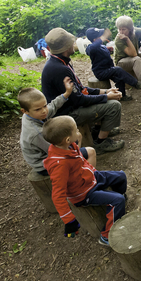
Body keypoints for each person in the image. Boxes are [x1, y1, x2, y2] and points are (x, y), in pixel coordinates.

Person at [42, 116, 127, 246]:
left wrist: (77, 142)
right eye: (76, 130)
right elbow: (57, 195)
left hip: (90, 178)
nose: (79, 132)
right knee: (118, 200)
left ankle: (114, 203)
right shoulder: (59, 165)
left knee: (121, 176)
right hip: (83, 193)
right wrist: (69, 220)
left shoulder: (68, 147)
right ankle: (107, 236)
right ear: (67, 139)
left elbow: (78, 161)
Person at [41, 27, 125, 155]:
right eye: (71, 43)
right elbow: (79, 99)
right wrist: (107, 97)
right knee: (113, 106)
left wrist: (105, 91)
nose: (74, 45)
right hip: (65, 114)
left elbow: (80, 89)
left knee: (104, 101)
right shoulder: (59, 69)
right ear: (66, 47)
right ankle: (101, 143)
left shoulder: (61, 62)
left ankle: (98, 130)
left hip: (71, 106)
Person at [19, 79, 96, 176]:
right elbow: (56, 150)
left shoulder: (34, 114)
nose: (44, 111)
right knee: (90, 151)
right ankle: (85, 179)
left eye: (44, 105)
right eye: (38, 109)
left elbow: (53, 106)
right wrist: (73, 141)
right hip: (45, 165)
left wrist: (67, 93)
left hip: (49, 154)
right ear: (24, 111)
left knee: (77, 136)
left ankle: (78, 165)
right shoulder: (36, 132)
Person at [85, 27, 141, 100]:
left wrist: (108, 49)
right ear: (95, 39)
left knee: (119, 78)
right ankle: (136, 84)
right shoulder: (90, 48)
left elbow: (101, 52)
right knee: (118, 70)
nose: (102, 37)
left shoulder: (102, 47)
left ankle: (122, 95)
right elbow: (92, 48)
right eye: (100, 36)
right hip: (101, 72)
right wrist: (104, 36)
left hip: (109, 69)